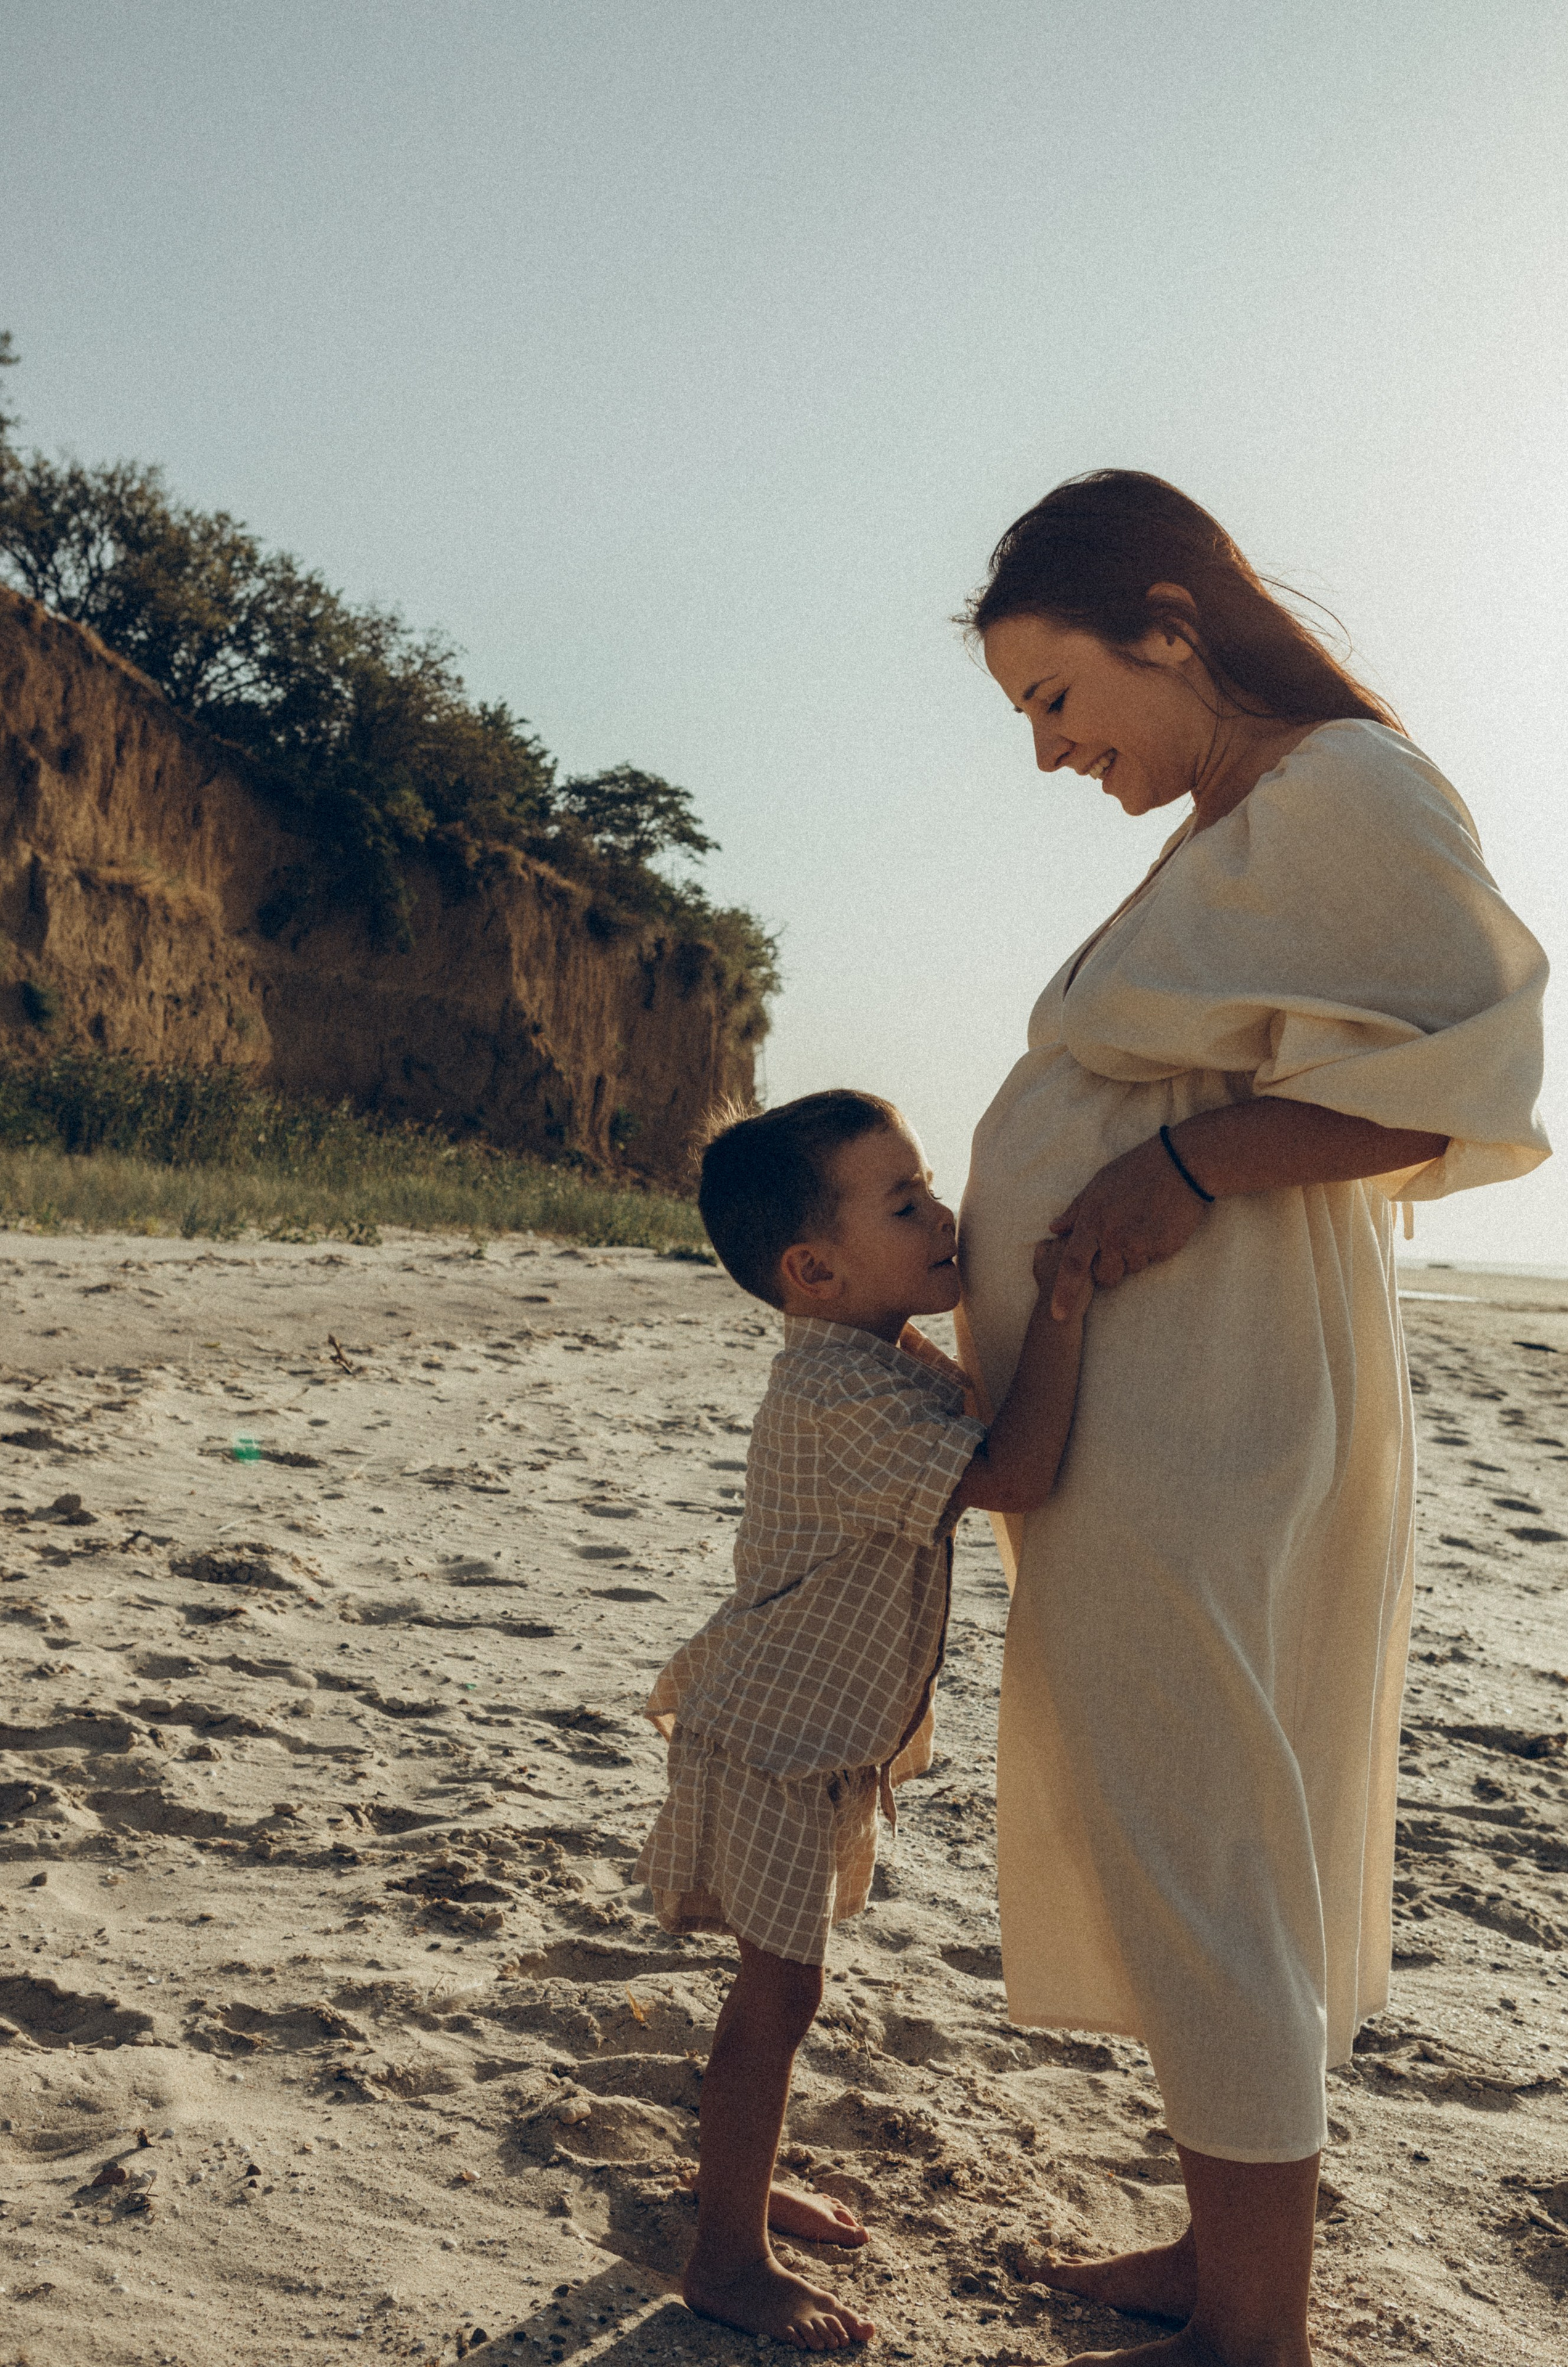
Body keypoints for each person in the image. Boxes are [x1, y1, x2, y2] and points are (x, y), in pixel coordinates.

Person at [953, 470, 1550, 2367]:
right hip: (1163, 1368)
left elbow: (1480, 1059)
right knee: (1184, 1813)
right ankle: (1226, 2266)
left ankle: (1257, 2326)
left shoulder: (1346, 788)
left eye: (1057, 699)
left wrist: (1196, 1166)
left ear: (1170, 623)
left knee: (1207, 1820)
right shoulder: (1251, 813)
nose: (1050, 755)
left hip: (1210, 1381)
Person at [635, 1088, 1092, 2352]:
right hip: (779, 1740)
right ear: (812, 1267)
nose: (944, 1217)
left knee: (773, 1991)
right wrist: (1061, 1308)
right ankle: (725, 2255)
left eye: (930, 1188)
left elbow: (977, 1419)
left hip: (807, 1736)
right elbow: (1012, 1469)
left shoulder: (875, 1355)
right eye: (906, 1204)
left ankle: (737, 2175)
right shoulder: (840, 1395)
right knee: (777, 1999)